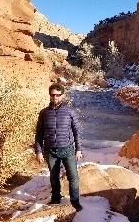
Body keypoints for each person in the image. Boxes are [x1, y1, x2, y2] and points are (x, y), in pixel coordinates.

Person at [34, 83, 83, 211]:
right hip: (50, 150)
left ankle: (75, 201)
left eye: (57, 95)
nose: (54, 97)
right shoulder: (44, 113)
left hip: (67, 149)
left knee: (73, 176)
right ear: (49, 96)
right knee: (53, 176)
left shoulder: (69, 111)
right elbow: (39, 133)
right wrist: (38, 151)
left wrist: (78, 149)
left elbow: (77, 131)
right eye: (52, 95)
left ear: (62, 96)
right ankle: (56, 198)